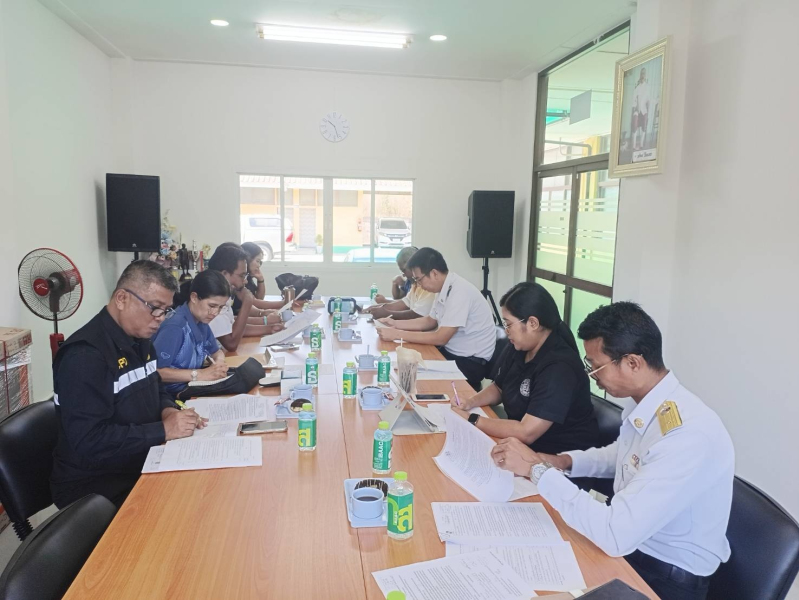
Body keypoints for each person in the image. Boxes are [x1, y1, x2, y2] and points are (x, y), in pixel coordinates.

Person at [491, 302, 734, 600]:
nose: (591, 375)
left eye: (596, 366)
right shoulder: (652, 403)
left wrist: (536, 470)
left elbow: (616, 535)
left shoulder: (688, 435)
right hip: (632, 547)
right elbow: (623, 454)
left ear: (632, 363)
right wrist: (560, 461)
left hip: (664, 577)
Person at [51, 261, 207, 509]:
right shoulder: (85, 356)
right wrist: (163, 430)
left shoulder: (140, 339)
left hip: (136, 459)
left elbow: (155, 387)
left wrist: (168, 411)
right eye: (154, 308)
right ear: (122, 298)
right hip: (96, 485)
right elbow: (89, 440)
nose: (160, 319)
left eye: (166, 310)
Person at [451, 282, 598, 454]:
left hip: (555, 456)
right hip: (520, 444)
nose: (506, 331)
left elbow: (527, 432)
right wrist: (470, 402)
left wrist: (472, 419)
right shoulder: (520, 346)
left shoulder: (560, 367)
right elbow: (499, 388)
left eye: (508, 324)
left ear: (533, 323)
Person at [377, 247, 495, 391]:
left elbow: (441, 337)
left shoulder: (460, 292)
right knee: (404, 366)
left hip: (470, 363)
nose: (418, 285)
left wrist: (396, 334)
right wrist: (394, 324)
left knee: (414, 376)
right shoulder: (444, 288)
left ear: (434, 273)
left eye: (419, 279)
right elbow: (429, 321)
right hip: (452, 353)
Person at [152, 269, 231, 395]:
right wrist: (199, 374)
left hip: (192, 389)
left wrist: (219, 364)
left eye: (220, 307)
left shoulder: (201, 321)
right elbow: (155, 372)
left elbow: (216, 351)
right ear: (194, 297)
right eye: (212, 306)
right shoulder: (175, 327)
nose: (215, 313)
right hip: (171, 397)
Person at [206, 243, 284, 351]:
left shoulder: (224, 294)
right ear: (224, 274)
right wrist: (247, 302)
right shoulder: (212, 297)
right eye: (242, 275)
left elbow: (234, 326)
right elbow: (231, 344)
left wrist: (270, 329)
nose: (245, 281)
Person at [364, 247, 435, 321]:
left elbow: (417, 314)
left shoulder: (428, 286)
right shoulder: (415, 284)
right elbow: (403, 303)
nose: (403, 275)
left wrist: (387, 313)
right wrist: (376, 308)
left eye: (404, 270)